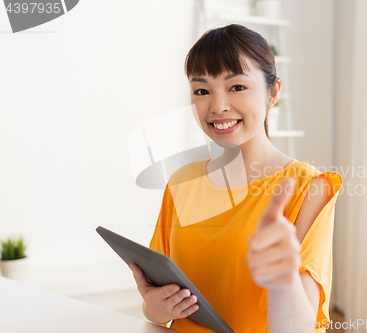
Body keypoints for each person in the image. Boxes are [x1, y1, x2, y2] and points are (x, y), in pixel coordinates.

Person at [129, 23, 342, 333]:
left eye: (237, 87)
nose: (217, 106)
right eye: (202, 90)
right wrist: (155, 306)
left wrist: (283, 276)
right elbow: (158, 309)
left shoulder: (309, 187)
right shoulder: (181, 183)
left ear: (273, 93)